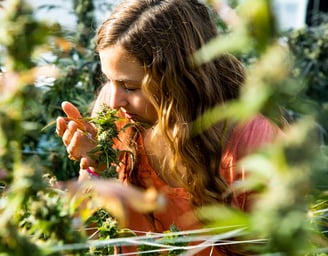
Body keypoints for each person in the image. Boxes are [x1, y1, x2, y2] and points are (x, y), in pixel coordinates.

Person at [56, 0, 282, 254]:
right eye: (110, 81)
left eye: (130, 87)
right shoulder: (117, 117)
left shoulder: (253, 141)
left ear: (180, 79)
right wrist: (96, 170)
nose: (113, 100)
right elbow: (91, 239)